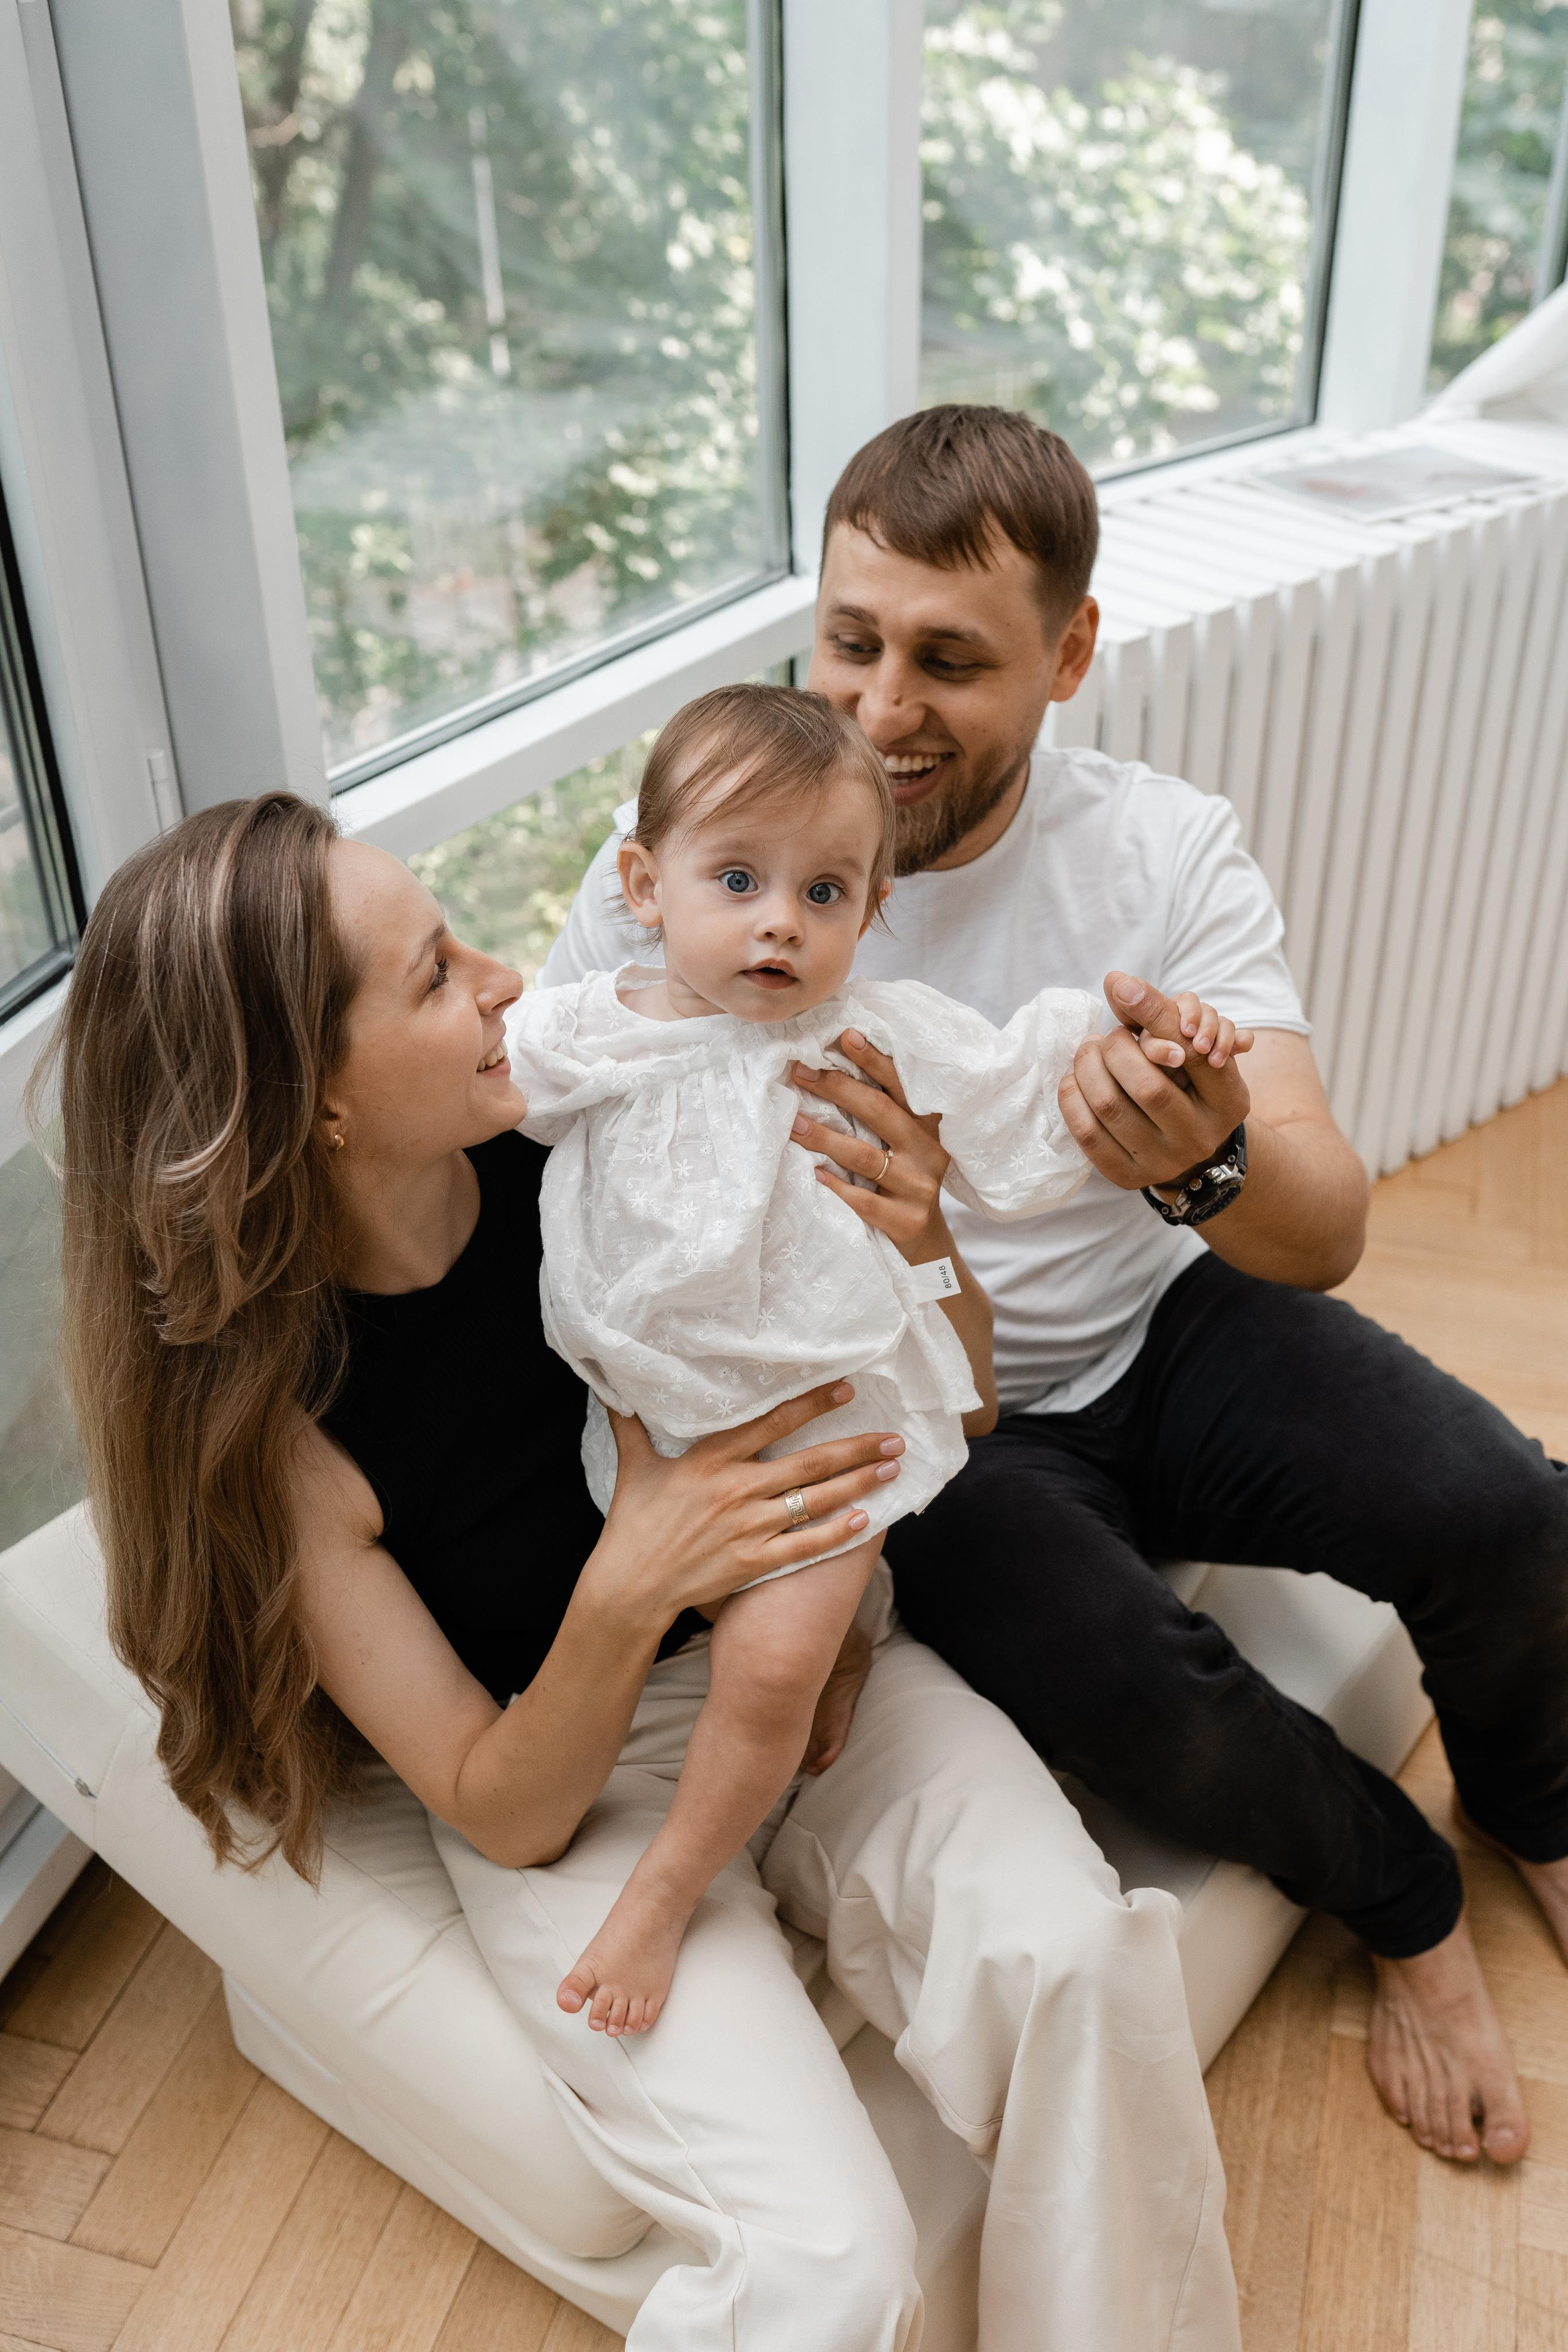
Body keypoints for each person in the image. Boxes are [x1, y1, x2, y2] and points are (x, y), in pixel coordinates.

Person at [45, 789, 1240, 2350]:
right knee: (826, 2268)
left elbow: (947, 1399)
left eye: (460, 940)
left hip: (812, 1663)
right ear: (309, 1101)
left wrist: (923, 1242)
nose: (501, 981)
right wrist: (632, 1574)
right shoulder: (277, 1436)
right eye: (430, 976)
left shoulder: (608, 1138)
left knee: (1083, 1961)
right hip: (575, 1793)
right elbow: (498, 1804)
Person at [545, 401, 1568, 2171]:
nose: (877, 708)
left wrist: (1200, 1152)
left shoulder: (1162, 854)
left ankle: (1540, 1800)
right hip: (927, 1419)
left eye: (949, 660)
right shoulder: (695, 860)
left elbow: (1319, 1227)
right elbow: (530, 1094)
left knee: (1503, 1504)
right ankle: (1407, 1912)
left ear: (1071, 654)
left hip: (1167, 1321)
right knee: (1129, 1689)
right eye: (850, 639)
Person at [510, 679, 1249, 2035]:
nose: (780, 921)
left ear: (870, 912)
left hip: (825, 1413)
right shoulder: (595, 1026)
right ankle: (866, 1624)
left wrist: (1154, 1035)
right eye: (735, 879)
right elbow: (472, 1077)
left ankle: (669, 1889)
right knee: (762, 1621)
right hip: (665, 1411)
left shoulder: (869, 1035)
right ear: (641, 882)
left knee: (768, 1668)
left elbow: (1025, 1070)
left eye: (826, 892)